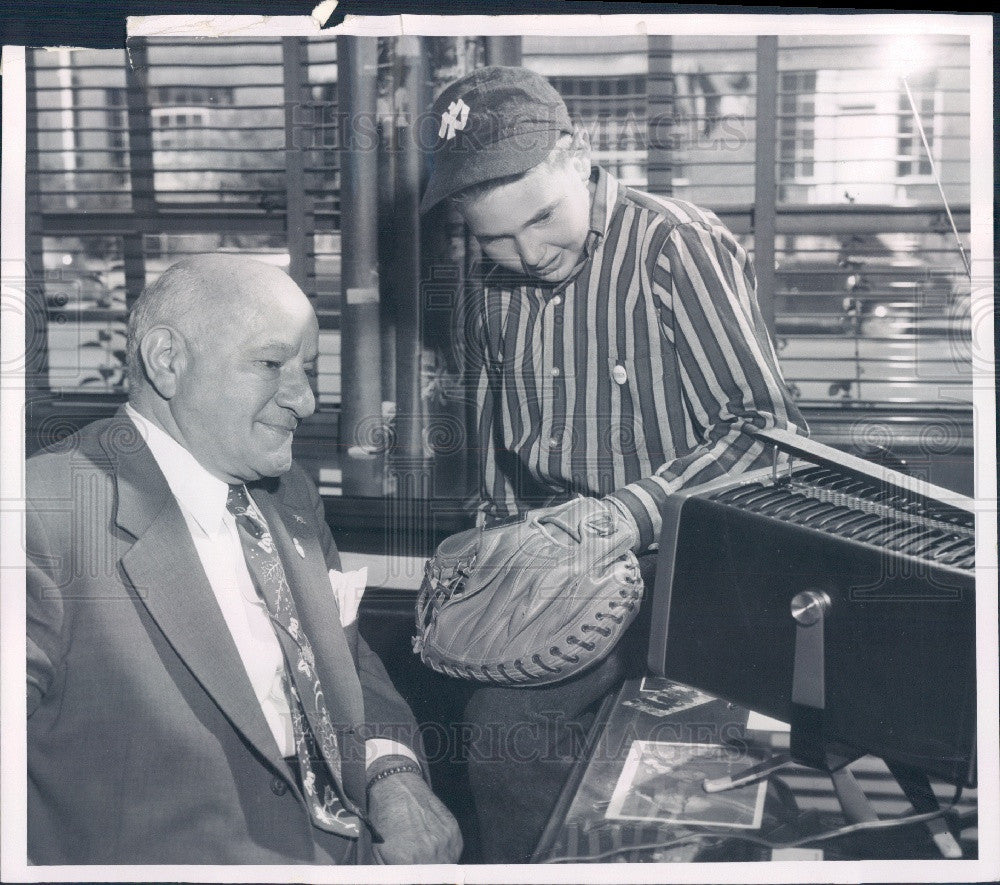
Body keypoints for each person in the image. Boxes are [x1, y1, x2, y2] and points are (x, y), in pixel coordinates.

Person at [418, 66, 805, 862]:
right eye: (494, 238)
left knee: (681, 802)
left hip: (701, 575)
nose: (526, 254)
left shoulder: (676, 244)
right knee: (499, 738)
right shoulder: (493, 288)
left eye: (541, 218)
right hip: (565, 577)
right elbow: (503, 455)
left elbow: (769, 433)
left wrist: (627, 512)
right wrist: (495, 551)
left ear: (579, 154)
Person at [25, 255, 462, 865]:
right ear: (168, 361)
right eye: (270, 364)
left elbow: (347, 662)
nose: (306, 401)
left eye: (305, 368)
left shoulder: (290, 496)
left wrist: (391, 774)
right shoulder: (40, 517)